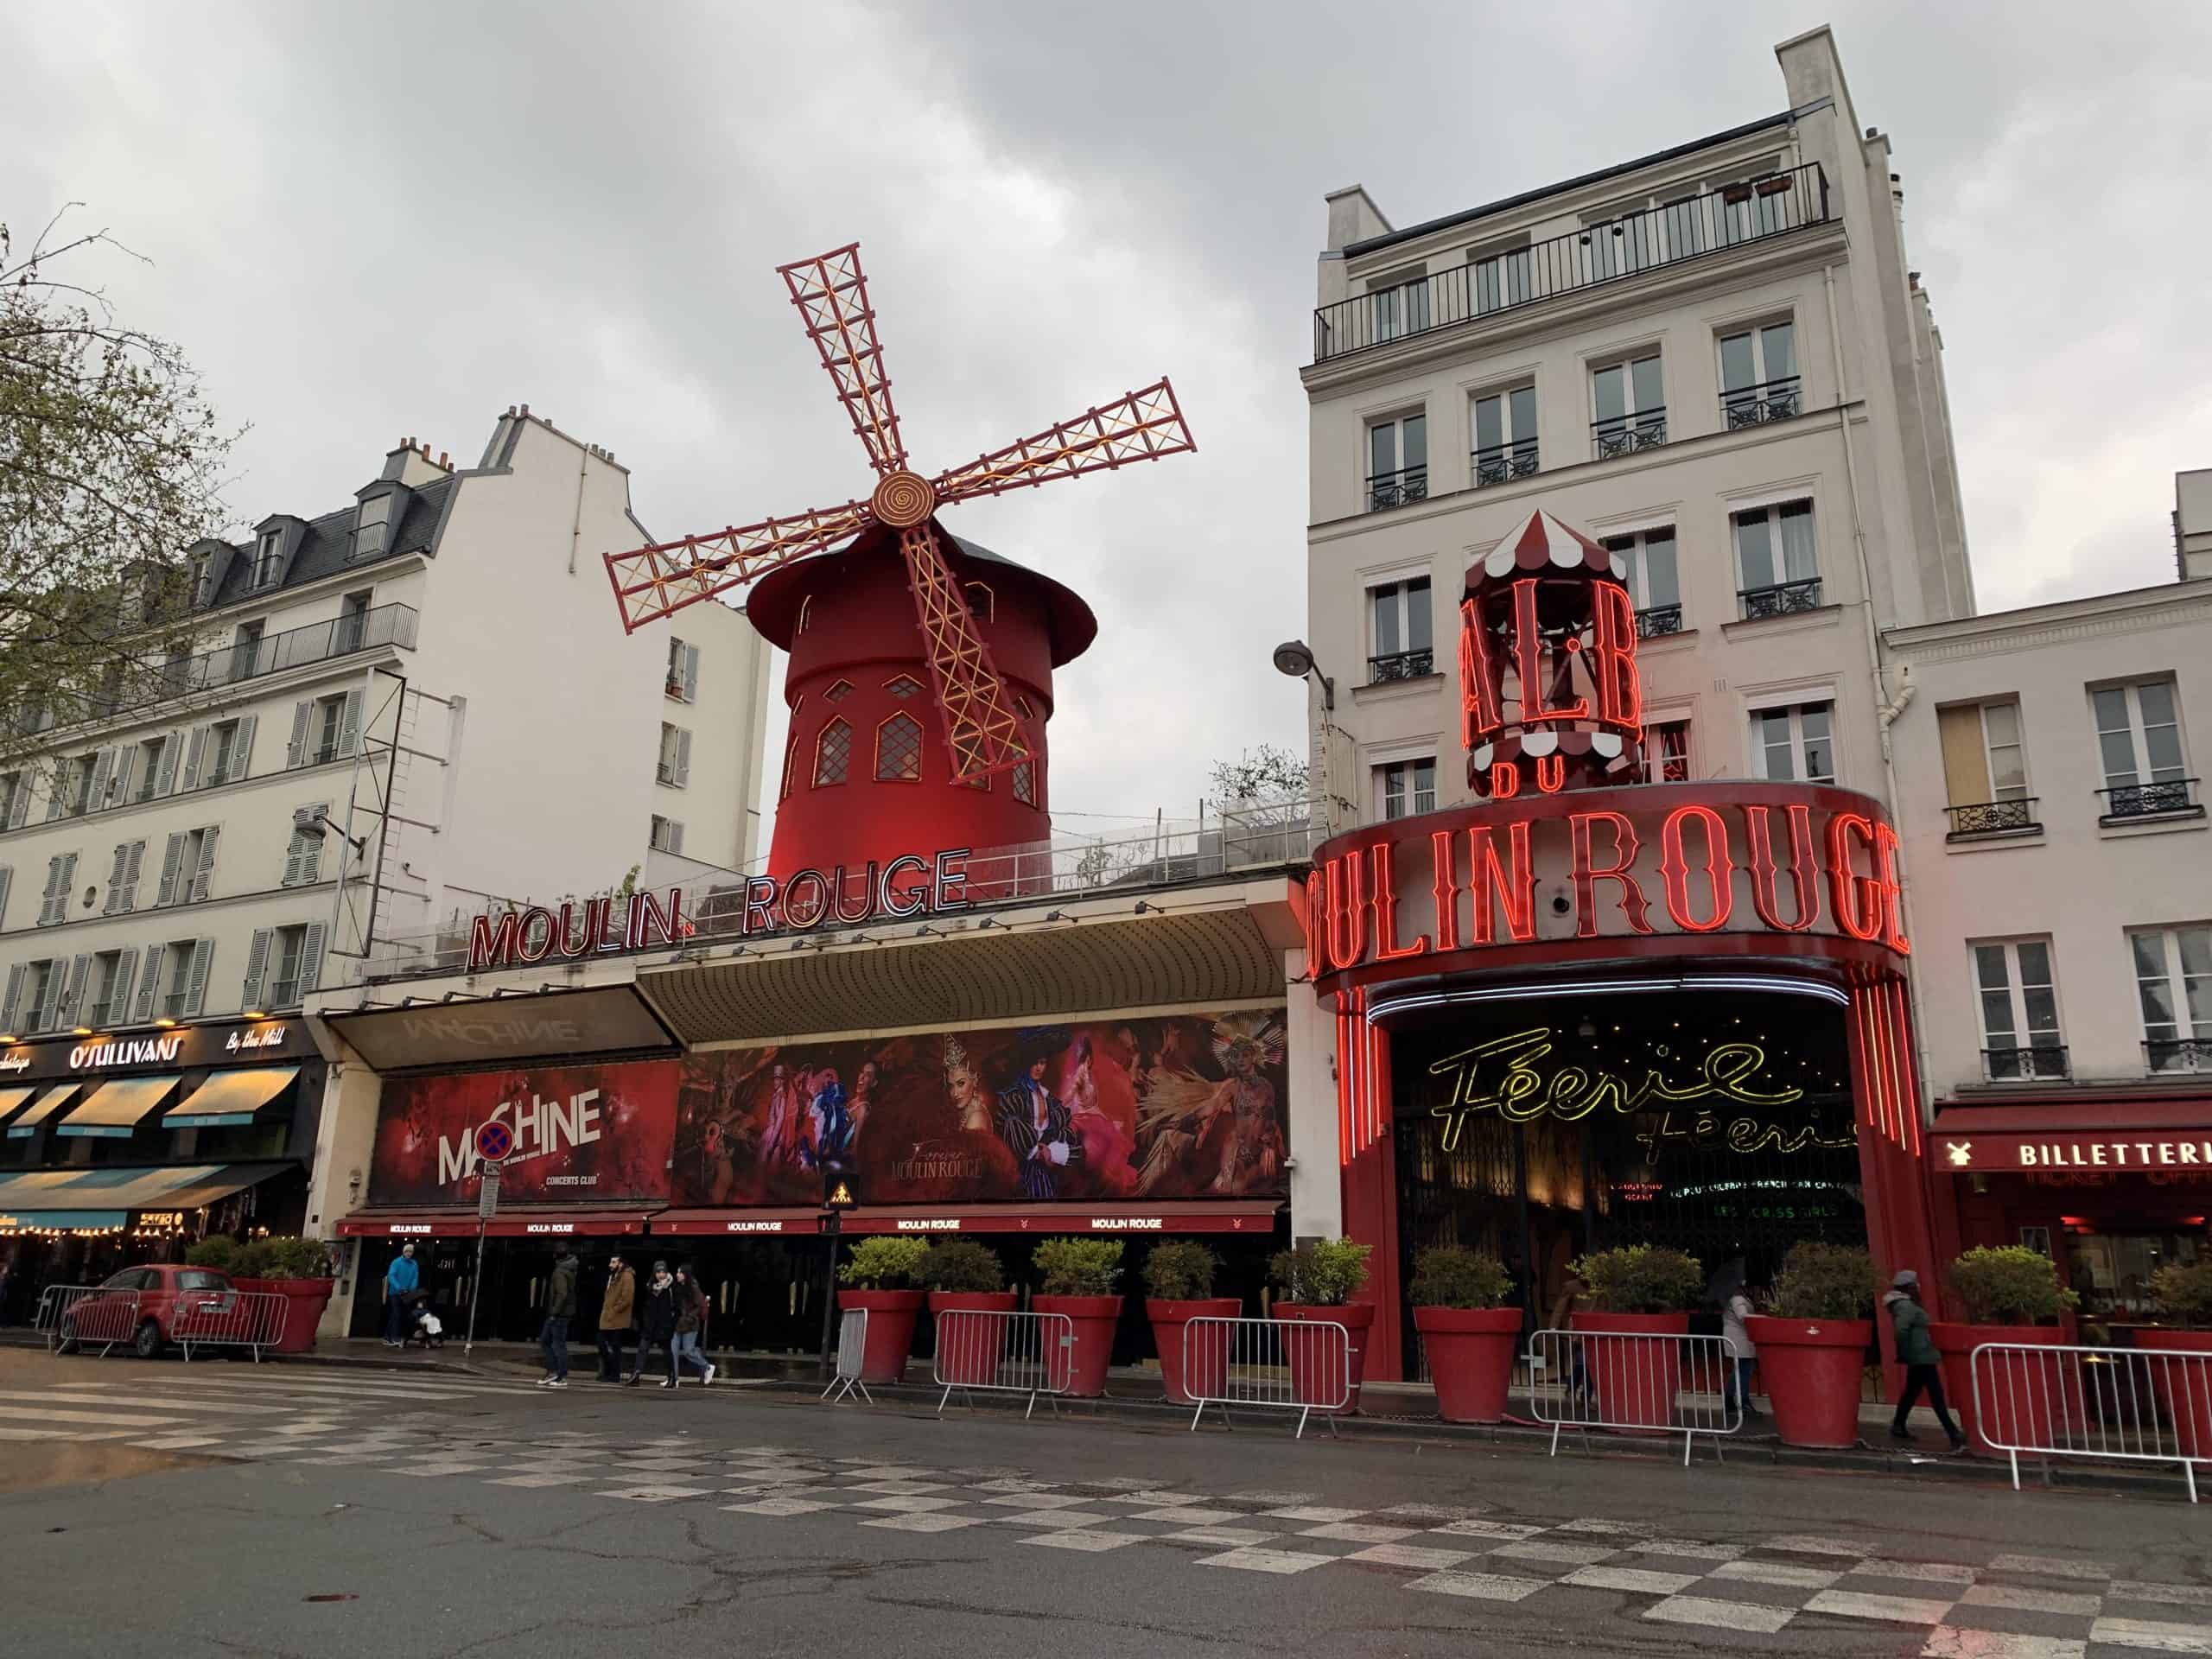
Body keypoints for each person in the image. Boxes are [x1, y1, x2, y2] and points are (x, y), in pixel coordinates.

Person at [1886, 1268, 1967, 1454]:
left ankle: (1898, 1425)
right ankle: (1952, 1432)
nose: (1919, 1286)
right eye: (1916, 1283)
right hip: (1921, 1356)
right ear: (1910, 1287)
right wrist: (1905, 1351)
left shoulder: (1904, 1305)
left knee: (1911, 1392)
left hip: (1921, 1355)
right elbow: (1901, 1330)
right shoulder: (1906, 1307)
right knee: (1936, 1394)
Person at [628, 1261, 680, 1389]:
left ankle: (672, 1377)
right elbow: (646, 1304)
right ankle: (636, 1374)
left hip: (664, 1324)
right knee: (642, 1349)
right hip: (650, 1324)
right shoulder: (650, 1285)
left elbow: (677, 1306)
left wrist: (671, 1322)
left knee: (667, 1352)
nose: (661, 1275)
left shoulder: (672, 1286)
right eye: (658, 1272)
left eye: (663, 1272)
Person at [537, 1245, 578, 1388]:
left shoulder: (560, 1272)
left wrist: (554, 1312)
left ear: (555, 1256)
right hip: (563, 1313)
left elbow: (562, 1294)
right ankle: (554, 1371)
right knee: (547, 1341)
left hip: (559, 1314)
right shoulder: (569, 1269)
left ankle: (559, 1375)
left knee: (555, 1343)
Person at [671, 1265, 715, 1387]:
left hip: (690, 1325)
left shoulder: (693, 1288)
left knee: (688, 1351)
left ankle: (707, 1367)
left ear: (686, 1274)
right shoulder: (680, 1286)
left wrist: (689, 1317)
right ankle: (674, 1379)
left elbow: (700, 1305)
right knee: (673, 1349)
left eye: (680, 1272)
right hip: (680, 1324)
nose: (677, 1274)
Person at [1721, 1282, 1760, 1421]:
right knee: (1744, 1370)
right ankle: (1741, 1401)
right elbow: (1743, 1317)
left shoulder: (1738, 1298)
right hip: (1739, 1339)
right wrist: (1761, 1319)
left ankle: (1733, 1399)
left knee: (1741, 1370)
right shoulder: (1737, 1299)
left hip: (1740, 1339)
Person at [597, 1252, 636, 1382]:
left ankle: (614, 1374)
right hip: (608, 1317)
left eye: (614, 1262)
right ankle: (609, 1372)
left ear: (621, 1263)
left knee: (615, 1347)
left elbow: (626, 1298)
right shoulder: (613, 1276)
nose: (610, 1265)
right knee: (602, 1344)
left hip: (617, 1318)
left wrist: (613, 1311)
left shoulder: (627, 1276)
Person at [383, 1243, 420, 1349]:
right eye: (407, 1251)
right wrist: (399, 1288)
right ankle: (394, 1337)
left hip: (407, 1293)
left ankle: (387, 1337)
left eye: (411, 1252)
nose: (409, 1253)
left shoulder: (414, 1264)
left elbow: (415, 1277)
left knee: (399, 1315)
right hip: (395, 1293)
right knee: (397, 1314)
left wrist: (411, 1289)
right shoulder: (396, 1262)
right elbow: (391, 1276)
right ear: (403, 1252)